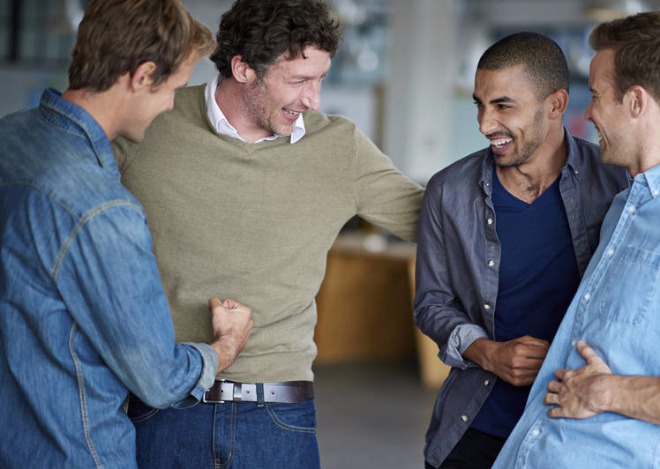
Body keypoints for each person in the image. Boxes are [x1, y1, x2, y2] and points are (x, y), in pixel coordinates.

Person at [414, 30, 660, 469]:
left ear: (554, 105)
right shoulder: (452, 191)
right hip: (491, 426)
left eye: (502, 105)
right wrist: (487, 352)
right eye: (480, 104)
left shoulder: (624, 187)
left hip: (577, 433)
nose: (484, 124)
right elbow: (431, 302)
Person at [112, 0, 423, 467]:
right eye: (299, 81)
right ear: (243, 68)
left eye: (320, 79)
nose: (314, 99)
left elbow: (436, 221)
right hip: (162, 403)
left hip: (279, 414)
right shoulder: (151, 126)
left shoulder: (339, 146)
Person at [0, 1, 253, 467]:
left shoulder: (8, 139)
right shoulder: (102, 209)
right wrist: (225, 347)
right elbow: (158, 379)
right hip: (75, 454)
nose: (173, 104)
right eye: (173, 88)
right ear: (141, 76)